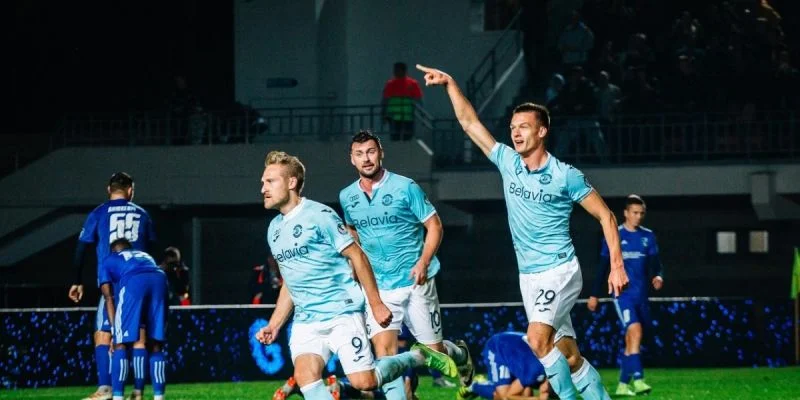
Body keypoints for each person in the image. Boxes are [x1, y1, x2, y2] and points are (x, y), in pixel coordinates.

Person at [416, 64, 628, 400]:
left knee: (537, 340)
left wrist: (616, 265)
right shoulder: (508, 162)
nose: (515, 133)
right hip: (529, 277)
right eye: (513, 127)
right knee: (569, 356)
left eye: (524, 127)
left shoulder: (565, 175)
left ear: (542, 131)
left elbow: (606, 216)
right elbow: (470, 123)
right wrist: (450, 84)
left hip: (559, 271)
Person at [254, 150, 458, 400]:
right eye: (263, 182)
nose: (263, 188)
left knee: (365, 382)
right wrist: (274, 324)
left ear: (291, 182)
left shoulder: (320, 216)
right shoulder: (274, 230)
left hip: (342, 314)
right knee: (306, 377)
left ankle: (418, 356)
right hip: (307, 322)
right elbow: (291, 282)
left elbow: (358, 257)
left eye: (270, 181)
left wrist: (376, 304)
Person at [339, 129, 474, 397]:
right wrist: (356, 265)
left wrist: (424, 261)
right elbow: (352, 230)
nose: (366, 158)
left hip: (415, 281)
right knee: (384, 353)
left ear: (381, 153)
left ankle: (460, 355)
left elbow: (434, 225)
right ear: (352, 159)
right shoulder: (347, 196)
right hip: (379, 286)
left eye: (371, 152)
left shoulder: (405, 187)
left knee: (434, 354)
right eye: (359, 154)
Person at [68, 172, 156, 400]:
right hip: (139, 283)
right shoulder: (142, 214)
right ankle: (138, 391)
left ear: (109, 190)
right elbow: (152, 249)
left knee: (103, 334)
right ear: (130, 191)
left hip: (112, 283)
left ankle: (106, 389)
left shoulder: (99, 213)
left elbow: (81, 248)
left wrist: (77, 280)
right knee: (139, 338)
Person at [588, 194, 663, 396]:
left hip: (641, 296)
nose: (638, 216)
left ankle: (622, 385)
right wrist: (594, 294)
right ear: (626, 213)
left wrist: (658, 276)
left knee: (632, 339)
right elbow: (603, 267)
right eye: (635, 212)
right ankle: (639, 380)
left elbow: (656, 265)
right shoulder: (615, 235)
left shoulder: (648, 237)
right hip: (622, 295)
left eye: (641, 213)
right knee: (635, 331)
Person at [98, 238, 168, 400]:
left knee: (120, 344)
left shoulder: (109, 259)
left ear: (113, 251)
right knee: (156, 344)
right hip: (160, 278)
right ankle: (159, 397)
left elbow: (108, 298)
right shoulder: (144, 255)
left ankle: (118, 397)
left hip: (134, 281)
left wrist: (115, 332)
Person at [457, 331, 551, 400]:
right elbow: (509, 396)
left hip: (515, 351)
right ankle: (475, 385)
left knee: (525, 393)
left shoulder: (542, 371)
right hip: (497, 348)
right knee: (502, 396)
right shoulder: (534, 373)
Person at [382, 62, 423, 141]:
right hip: (394, 116)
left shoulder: (412, 83)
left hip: (407, 115)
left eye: (397, 70)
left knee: (407, 137)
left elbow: (418, 99)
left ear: (403, 71)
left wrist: (421, 114)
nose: (395, 72)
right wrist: (384, 113)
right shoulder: (390, 84)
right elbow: (385, 100)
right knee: (395, 137)